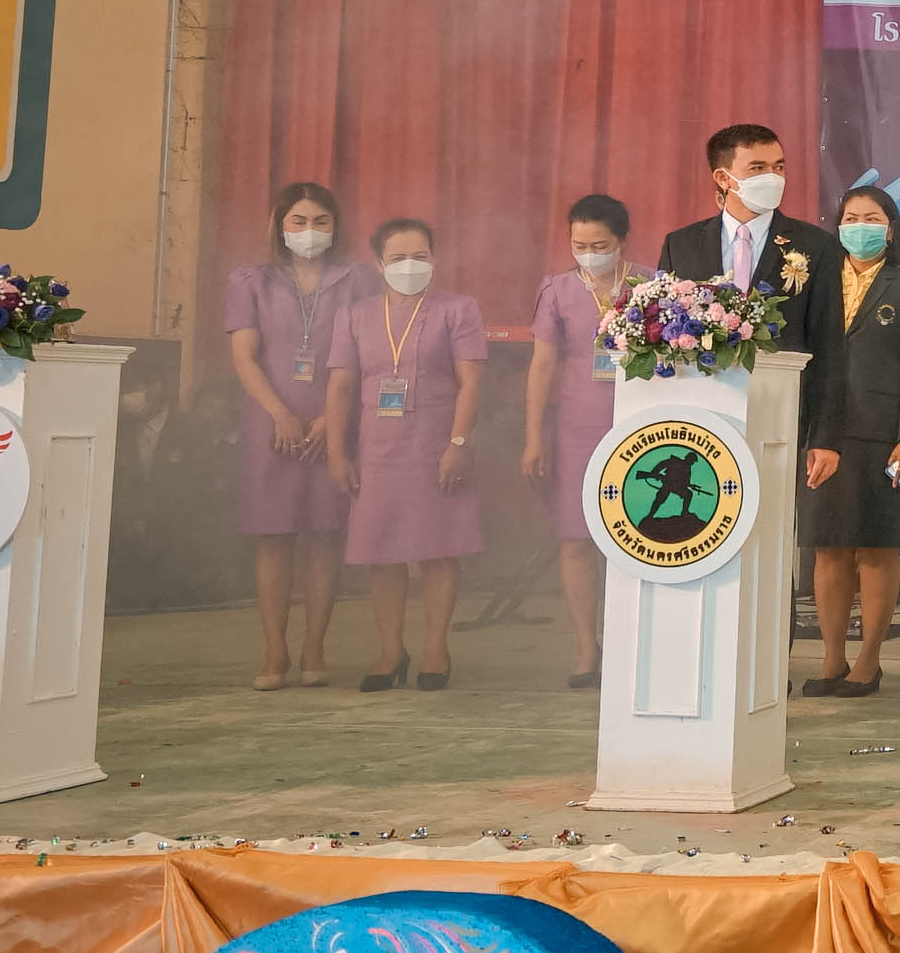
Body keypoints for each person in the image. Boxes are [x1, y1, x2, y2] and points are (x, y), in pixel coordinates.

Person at [324, 217, 486, 691]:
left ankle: (436, 648)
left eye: (420, 256)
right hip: (376, 449)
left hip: (437, 444)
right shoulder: (354, 314)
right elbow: (340, 386)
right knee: (383, 552)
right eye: (398, 258)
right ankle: (390, 650)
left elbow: (471, 382)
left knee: (439, 549)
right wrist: (336, 452)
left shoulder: (458, 309)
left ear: (434, 259)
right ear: (378, 264)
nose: (409, 266)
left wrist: (458, 443)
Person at [798, 186, 900, 698]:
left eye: (872, 218)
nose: (860, 226)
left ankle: (869, 660)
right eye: (851, 217)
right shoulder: (816, 283)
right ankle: (832, 657)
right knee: (829, 549)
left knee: (878, 549)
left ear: (891, 228)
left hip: (885, 437)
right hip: (824, 435)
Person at [224, 181, 369, 689]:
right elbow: (244, 356)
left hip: (334, 418)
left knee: (325, 536)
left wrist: (332, 419)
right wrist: (279, 414)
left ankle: (314, 649)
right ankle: (274, 651)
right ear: (280, 226)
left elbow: (365, 353)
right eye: (299, 221)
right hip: (272, 420)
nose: (310, 231)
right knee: (273, 537)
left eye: (321, 222)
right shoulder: (250, 280)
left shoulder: (358, 279)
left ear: (336, 226)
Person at [519, 193, 632, 690]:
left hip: (636, 426)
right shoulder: (557, 290)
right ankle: (586, 646)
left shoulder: (650, 284)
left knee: (636, 538)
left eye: (599, 245)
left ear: (621, 241)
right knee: (576, 538)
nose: (588, 253)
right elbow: (542, 365)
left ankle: (630, 642)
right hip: (576, 429)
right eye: (579, 245)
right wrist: (533, 436)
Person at [656, 123, 827, 340]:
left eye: (778, 167)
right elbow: (666, 328)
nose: (773, 178)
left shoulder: (816, 244)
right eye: (758, 168)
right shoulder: (680, 245)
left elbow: (827, 338)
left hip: (785, 362)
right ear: (723, 178)